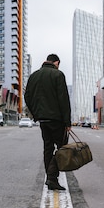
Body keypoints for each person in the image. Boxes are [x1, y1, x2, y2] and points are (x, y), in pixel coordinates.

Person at [24, 54, 71, 191]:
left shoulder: (34, 76)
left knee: (48, 148)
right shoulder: (58, 75)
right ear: (56, 62)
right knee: (62, 147)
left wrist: (35, 113)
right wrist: (67, 121)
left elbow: (27, 97)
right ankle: (52, 177)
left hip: (42, 119)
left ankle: (50, 178)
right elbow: (63, 99)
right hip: (57, 119)